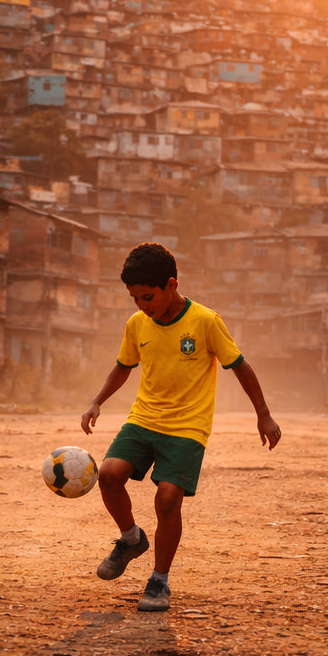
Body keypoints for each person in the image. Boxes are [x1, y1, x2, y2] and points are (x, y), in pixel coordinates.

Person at [80, 242, 281, 612]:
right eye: (135, 298)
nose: (142, 305)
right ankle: (130, 539)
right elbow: (124, 366)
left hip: (188, 427)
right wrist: (97, 401)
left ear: (171, 284)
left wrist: (263, 414)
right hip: (144, 419)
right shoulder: (137, 324)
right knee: (108, 475)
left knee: (168, 500)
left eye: (148, 296)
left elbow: (239, 365)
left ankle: (159, 581)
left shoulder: (205, 321)